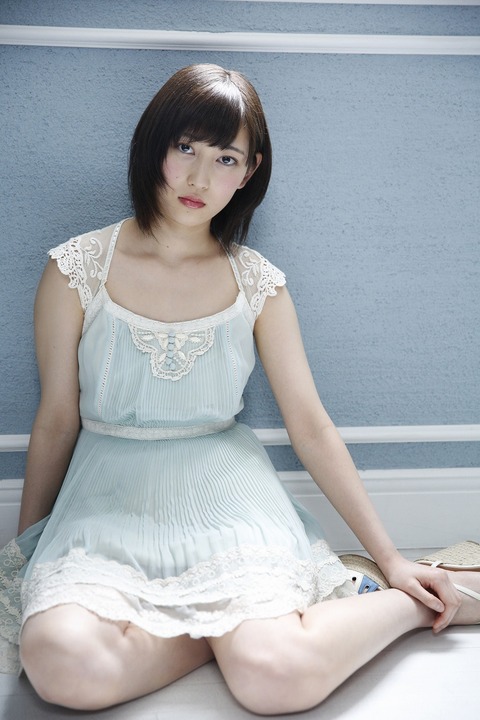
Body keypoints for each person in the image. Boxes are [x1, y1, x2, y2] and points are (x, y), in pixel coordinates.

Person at [0, 63, 479, 715]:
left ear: (249, 172)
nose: (200, 177)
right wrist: (25, 556)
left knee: (275, 679)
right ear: (154, 147)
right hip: (105, 499)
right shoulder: (76, 270)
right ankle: (219, 633)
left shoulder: (258, 284)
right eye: (186, 148)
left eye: (225, 158)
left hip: (225, 495)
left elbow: (311, 427)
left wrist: (392, 558)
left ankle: (415, 601)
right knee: (62, 667)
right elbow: (57, 419)